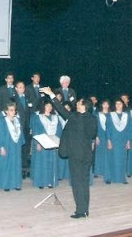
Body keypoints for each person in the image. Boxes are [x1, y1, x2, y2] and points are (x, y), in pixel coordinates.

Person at [42, 87, 97, 219]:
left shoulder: (75, 117)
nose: (76, 104)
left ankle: (80, 211)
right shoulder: (92, 119)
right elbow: (92, 134)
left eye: (79, 102)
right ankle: (85, 209)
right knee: (84, 182)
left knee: (77, 183)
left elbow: (61, 110)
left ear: (84, 106)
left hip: (76, 155)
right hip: (87, 155)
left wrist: (51, 94)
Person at [30, 100, 62, 188]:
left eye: (50, 106)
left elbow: (59, 130)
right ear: (43, 107)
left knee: (51, 162)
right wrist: (38, 143)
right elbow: (36, 131)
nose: (49, 108)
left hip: (53, 142)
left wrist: (58, 142)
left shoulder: (55, 118)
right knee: (42, 163)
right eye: (47, 106)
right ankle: (41, 182)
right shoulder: (38, 117)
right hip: (43, 143)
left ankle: (50, 182)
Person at [0, 101, 24, 192]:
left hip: (15, 145)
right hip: (6, 145)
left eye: (14, 110)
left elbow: (20, 133)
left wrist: (20, 143)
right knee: (5, 164)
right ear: (6, 111)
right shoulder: (2, 121)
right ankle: (6, 184)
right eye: (11, 110)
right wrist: (1, 147)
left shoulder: (17, 120)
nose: (13, 112)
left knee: (16, 164)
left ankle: (16, 183)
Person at [105, 98, 131, 184]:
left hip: (123, 140)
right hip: (113, 139)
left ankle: (122, 178)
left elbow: (128, 129)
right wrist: (108, 140)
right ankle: (109, 178)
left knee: (122, 159)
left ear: (123, 105)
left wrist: (128, 141)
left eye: (120, 103)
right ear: (114, 105)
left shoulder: (126, 115)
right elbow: (108, 129)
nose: (118, 105)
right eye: (117, 104)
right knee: (111, 158)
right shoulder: (110, 115)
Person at [94, 99, 110, 178]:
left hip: (108, 136)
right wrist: (96, 136)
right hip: (100, 136)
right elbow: (95, 127)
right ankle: (97, 171)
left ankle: (106, 170)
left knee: (107, 153)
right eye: (104, 104)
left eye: (107, 104)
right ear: (101, 105)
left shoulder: (111, 115)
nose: (105, 106)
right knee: (99, 154)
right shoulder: (97, 115)